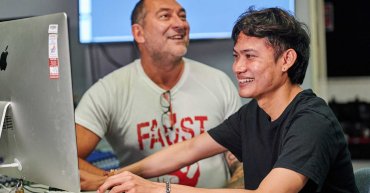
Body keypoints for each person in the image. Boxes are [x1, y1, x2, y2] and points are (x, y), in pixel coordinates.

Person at [96, 7, 360, 193]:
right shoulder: (253, 114)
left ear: (287, 60)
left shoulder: (312, 120)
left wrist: (157, 189)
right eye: (236, 56)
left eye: (250, 56)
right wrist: (119, 175)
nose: (237, 68)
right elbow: (188, 151)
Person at [76, 0, 242, 190]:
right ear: (139, 33)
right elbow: (65, 158)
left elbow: (240, 157)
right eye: (165, 16)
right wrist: (115, 182)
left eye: (182, 16)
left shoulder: (218, 82)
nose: (181, 24)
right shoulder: (108, 91)